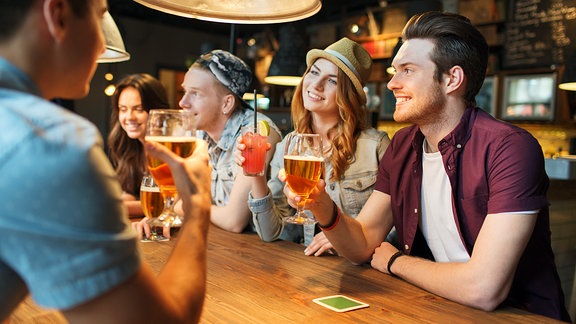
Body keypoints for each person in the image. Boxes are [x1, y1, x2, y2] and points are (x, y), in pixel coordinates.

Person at [283, 12, 571, 322]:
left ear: (452, 79)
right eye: (395, 71)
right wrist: (322, 206)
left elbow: (484, 289)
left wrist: (396, 262)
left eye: (407, 70)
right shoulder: (404, 145)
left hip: (520, 316)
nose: (392, 83)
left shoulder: (509, 148)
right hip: (439, 309)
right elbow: (363, 243)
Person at [0, 1, 212, 322]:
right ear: (58, 15)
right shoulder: (50, 142)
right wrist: (197, 205)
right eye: (101, 18)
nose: (102, 45)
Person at [236, 37, 390, 256]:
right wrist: (256, 173)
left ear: (349, 96)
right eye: (314, 72)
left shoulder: (376, 146)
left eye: (332, 81)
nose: (316, 85)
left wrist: (342, 235)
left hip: (361, 275)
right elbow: (270, 233)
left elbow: (396, 226)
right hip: (308, 271)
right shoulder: (288, 145)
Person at [176, 50, 282, 233]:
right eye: (185, 91)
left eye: (195, 93)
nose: (182, 102)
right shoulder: (198, 133)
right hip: (220, 244)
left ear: (227, 104)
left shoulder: (255, 133)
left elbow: (234, 221)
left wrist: (187, 207)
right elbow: (174, 198)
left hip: (264, 252)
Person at [107, 73, 170, 218]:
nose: (129, 117)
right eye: (123, 109)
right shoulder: (126, 145)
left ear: (157, 110)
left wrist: (117, 207)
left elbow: (169, 203)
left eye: (139, 109)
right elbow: (128, 193)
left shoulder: (171, 149)